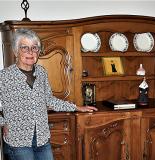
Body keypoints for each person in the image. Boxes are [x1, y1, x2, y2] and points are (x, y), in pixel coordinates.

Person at [0, 28, 97, 160]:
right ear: (15, 51)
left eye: (34, 48)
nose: (30, 52)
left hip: (42, 138)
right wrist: (3, 122)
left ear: (38, 52)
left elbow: (49, 100)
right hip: (18, 141)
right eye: (24, 48)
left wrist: (77, 107)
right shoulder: (4, 76)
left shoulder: (41, 72)